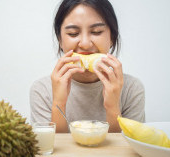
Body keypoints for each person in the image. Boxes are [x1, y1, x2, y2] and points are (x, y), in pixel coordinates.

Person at [30, 0, 145, 133]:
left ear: (112, 37)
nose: (85, 44)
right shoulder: (42, 90)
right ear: (60, 40)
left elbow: (127, 149)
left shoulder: (131, 89)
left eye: (96, 32)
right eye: (73, 33)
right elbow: (51, 149)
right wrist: (59, 103)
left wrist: (113, 107)